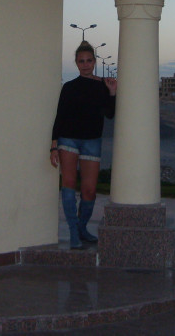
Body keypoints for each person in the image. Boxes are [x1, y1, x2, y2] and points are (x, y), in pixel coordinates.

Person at [50, 41, 117, 249]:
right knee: (69, 184)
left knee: (89, 191)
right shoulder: (69, 87)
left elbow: (110, 114)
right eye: (81, 61)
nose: (85, 64)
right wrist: (54, 145)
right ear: (76, 63)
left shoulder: (102, 86)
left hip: (92, 141)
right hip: (68, 139)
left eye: (89, 61)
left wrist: (112, 92)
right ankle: (73, 233)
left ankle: (82, 228)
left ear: (94, 62)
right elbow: (60, 116)